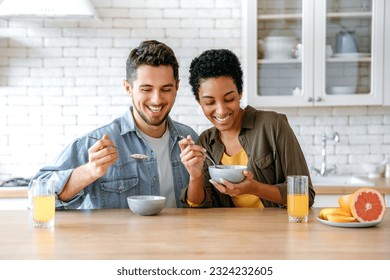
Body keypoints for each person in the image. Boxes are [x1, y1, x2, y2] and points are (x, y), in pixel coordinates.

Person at [30, 40, 198, 209]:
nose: (157, 99)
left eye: (166, 89)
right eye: (146, 89)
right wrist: (88, 171)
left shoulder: (190, 138)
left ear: (177, 87)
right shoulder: (96, 142)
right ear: (128, 88)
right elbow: (36, 197)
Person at [179, 49, 315, 208]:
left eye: (229, 99)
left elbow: (305, 194)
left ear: (240, 93)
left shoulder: (273, 125)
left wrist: (255, 188)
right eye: (210, 103)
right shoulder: (206, 142)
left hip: (274, 230)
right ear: (199, 102)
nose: (221, 110)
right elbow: (198, 206)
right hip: (226, 232)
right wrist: (194, 176)